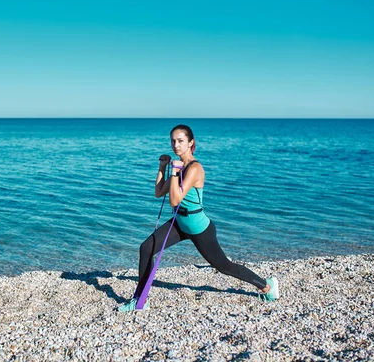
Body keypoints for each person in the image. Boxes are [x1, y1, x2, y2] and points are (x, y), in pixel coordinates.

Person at [119, 124, 280, 312]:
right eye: (173, 141)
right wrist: (162, 167)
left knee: (224, 266)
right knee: (146, 248)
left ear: (191, 142)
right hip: (179, 223)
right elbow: (158, 192)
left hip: (198, 227)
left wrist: (175, 172)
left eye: (180, 141)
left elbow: (174, 200)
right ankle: (140, 299)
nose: (176, 145)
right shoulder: (177, 166)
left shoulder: (194, 168)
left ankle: (267, 286)